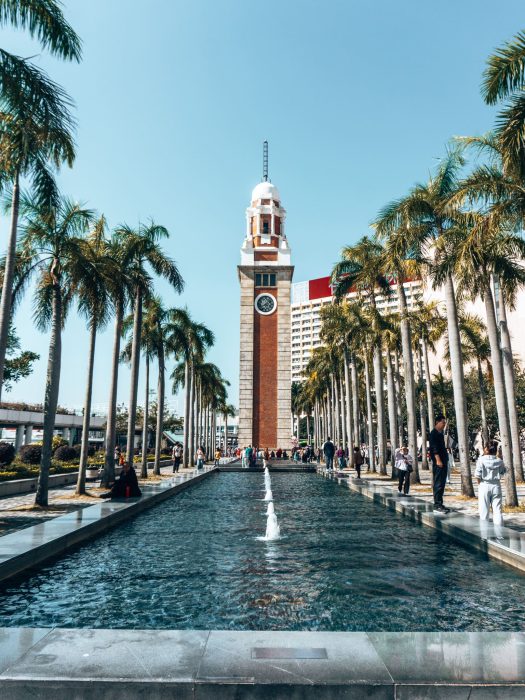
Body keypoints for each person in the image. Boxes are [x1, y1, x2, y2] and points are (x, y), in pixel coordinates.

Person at [475, 442, 506, 525]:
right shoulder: (499, 461)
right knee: (497, 510)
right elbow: (503, 472)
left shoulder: (481, 460)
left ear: (486, 449)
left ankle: (484, 534)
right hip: (496, 485)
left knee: (484, 510)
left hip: (484, 484)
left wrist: (479, 484)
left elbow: (477, 475)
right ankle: (499, 533)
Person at [429, 415, 450, 513]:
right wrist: (438, 460)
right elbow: (434, 448)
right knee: (438, 483)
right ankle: (437, 504)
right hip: (439, 462)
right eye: (443, 422)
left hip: (444, 460)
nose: (444, 424)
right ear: (437, 422)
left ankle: (440, 503)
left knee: (442, 483)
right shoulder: (433, 434)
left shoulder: (440, 434)